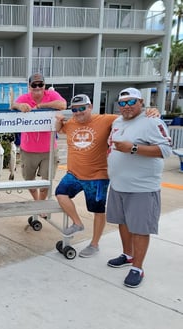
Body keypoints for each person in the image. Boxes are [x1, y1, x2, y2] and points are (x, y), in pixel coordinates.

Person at [54, 94, 162, 258]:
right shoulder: (70, 123)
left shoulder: (106, 120)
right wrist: (58, 121)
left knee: (97, 210)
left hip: (97, 177)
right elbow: (59, 129)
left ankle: (94, 244)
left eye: (82, 108)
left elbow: (130, 116)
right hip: (74, 174)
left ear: (90, 107)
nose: (78, 112)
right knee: (60, 194)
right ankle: (77, 223)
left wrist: (151, 111)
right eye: (75, 109)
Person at [106, 87, 172, 288]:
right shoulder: (117, 122)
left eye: (131, 102)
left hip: (142, 188)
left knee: (140, 229)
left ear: (141, 102)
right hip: (118, 185)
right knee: (123, 222)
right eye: (122, 103)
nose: (126, 107)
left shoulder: (152, 121)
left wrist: (133, 148)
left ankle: (138, 267)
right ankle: (127, 255)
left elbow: (165, 150)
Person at [11, 73, 67, 212]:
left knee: (46, 183)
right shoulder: (24, 97)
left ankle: (39, 207)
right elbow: (13, 105)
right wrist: (19, 106)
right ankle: (38, 205)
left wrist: (41, 106)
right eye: (34, 85)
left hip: (48, 150)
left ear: (44, 86)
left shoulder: (52, 95)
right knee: (29, 181)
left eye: (40, 84)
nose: (37, 87)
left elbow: (63, 104)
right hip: (28, 149)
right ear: (29, 86)